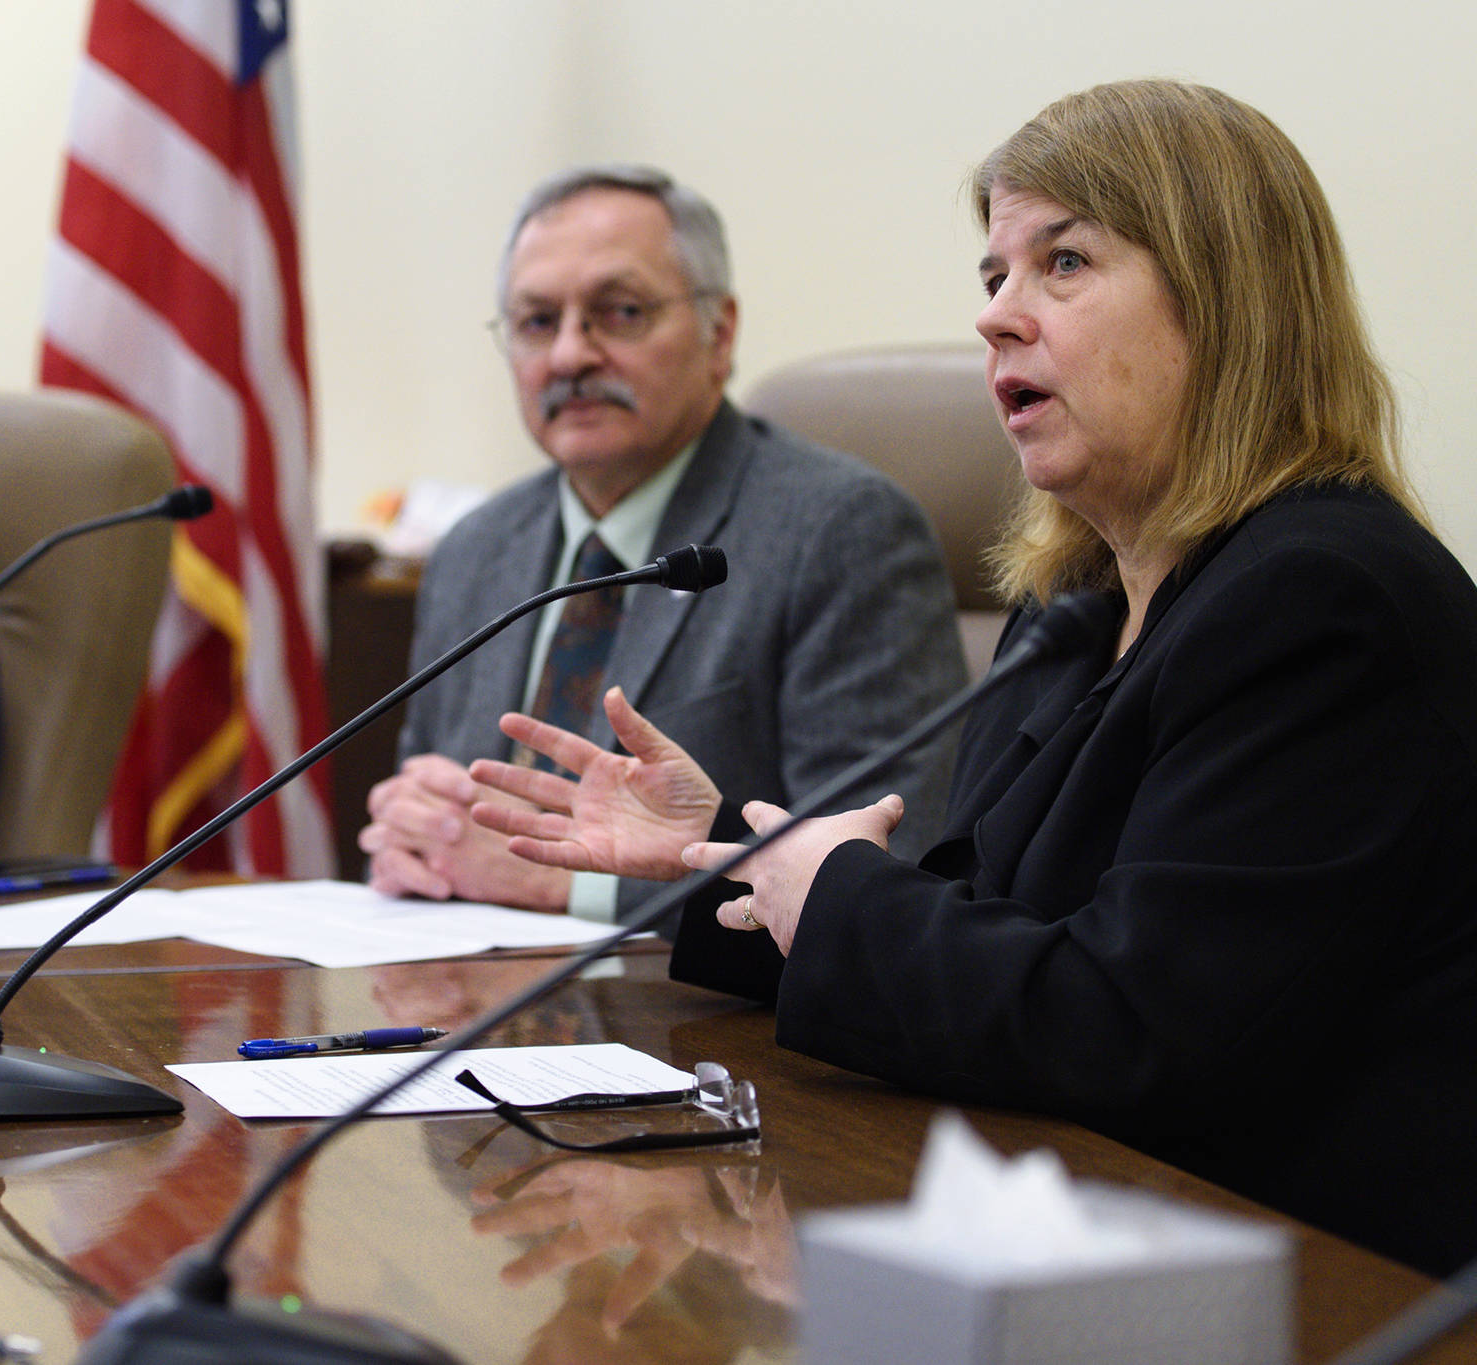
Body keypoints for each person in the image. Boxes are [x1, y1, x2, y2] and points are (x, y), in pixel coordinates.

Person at [469, 82, 1477, 1278]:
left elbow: (1134, 1026)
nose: (998, 318)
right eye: (991, 275)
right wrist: (733, 864)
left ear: (1226, 303)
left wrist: (831, 890)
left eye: (1061, 263)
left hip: (1303, 1286)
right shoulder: (1077, 604)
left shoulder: (1324, 602)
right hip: (1077, 1236)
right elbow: (988, 926)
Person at [361, 164, 965, 922]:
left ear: (720, 332)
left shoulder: (842, 533)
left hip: (691, 1028)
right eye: (538, 322)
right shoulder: (473, 551)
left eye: (620, 312)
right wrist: (411, 840)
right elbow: (443, 831)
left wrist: (571, 884)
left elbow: (882, 884)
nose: (570, 355)